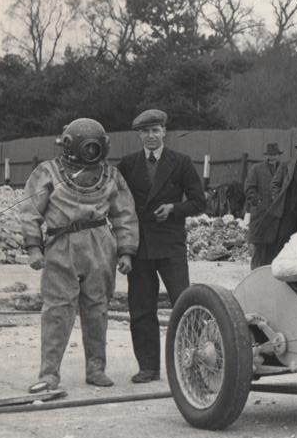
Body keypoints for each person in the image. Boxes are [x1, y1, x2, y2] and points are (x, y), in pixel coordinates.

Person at [21, 118, 138, 393]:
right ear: (70, 145)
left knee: (98, 308)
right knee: (57, 310)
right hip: (62, 243)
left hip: (100, 243)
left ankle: (96, 368)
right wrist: (34, 247)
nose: (91, 153)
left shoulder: (110, 176)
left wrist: (126, 250)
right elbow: (30, 212)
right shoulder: (47, 172)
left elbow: (124, 214)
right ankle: (49, 373)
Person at [117, 109, 206, 383]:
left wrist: (174, 208)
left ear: (164, 132)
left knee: (185, 304)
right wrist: (124, 249)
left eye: (155, 130)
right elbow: (118, 205)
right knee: (141, 309)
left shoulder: (181, 162)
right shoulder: (128, 165)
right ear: (139, 135)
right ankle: (149, 367)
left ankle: (195, 364)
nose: (150, 136)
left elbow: (199, 202)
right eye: (145, 131)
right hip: (140, 246)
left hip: (170, 245)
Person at [255, 136, 297, 257]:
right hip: (289, 211)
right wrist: (279, 200)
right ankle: (279, 264)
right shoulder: (286, 165)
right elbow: (275, 184)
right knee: (284, 239)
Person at [244, 142, 283, 269]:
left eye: (275, 155)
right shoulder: (257, 169)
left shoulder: (283, 169)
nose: (272, 157)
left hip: (276, 216)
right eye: (270, 155)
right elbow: (249, 188)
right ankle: (255, 276)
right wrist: (258, 202)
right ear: (266, 155)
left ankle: (268, 278)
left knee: (273, 250)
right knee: (259, 250)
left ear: (278, 155)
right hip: (260, 216)